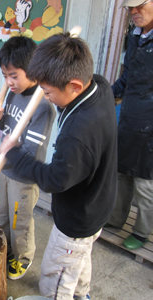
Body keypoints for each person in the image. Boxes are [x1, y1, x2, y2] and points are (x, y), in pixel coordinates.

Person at [0, 33, 117, 299]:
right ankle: (81, 295)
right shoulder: (99, 85)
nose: (46, 97)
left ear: (74, 85)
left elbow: (54, 179)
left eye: (49, 92)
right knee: (80, 261)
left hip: (77, 218)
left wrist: (15, 153)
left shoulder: (78, 133)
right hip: (98, 202)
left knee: (56, 275)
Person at [0, 36, 56, 280]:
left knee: (21, 221)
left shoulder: (42, 106)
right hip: (3, 170)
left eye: (14, 75)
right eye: (5, 76)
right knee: (1, 215)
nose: (8, 81)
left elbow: (29, 152)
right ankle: (3, 249)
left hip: (24, 177)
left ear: (31, 69)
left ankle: (23, 257)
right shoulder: (9, 92)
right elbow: (3, 125)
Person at [105, 0, 153, 250]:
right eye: (130, 7)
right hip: (129, 116)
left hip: (151, 124)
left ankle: (142, 232)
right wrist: (105, 94)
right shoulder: (134, 37)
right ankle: (114, 219)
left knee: (145, 183)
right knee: (121, 172)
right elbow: (127, 77)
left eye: (139, 5)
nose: (134, 12)